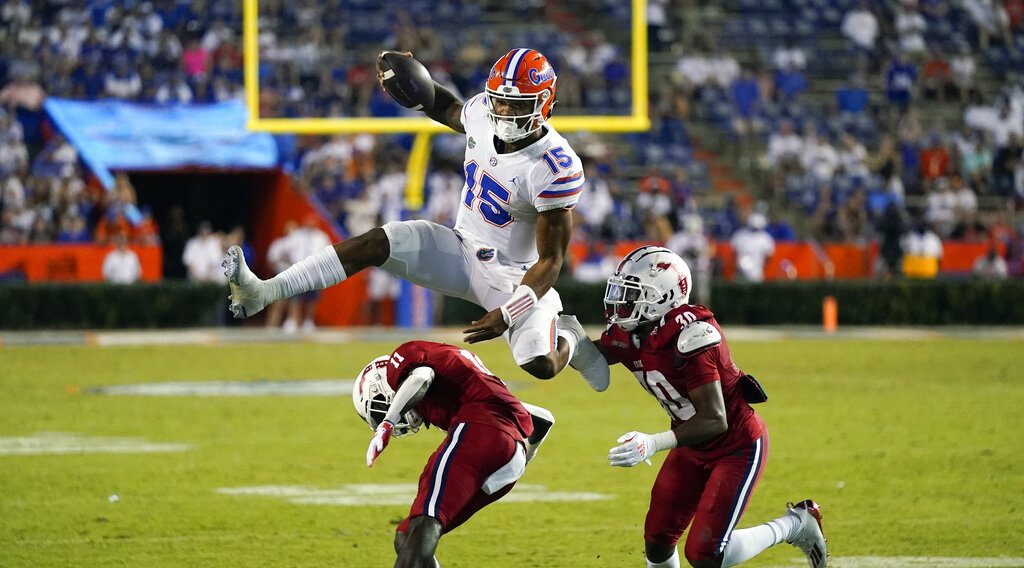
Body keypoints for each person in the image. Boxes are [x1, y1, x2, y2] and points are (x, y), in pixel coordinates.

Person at [223, 49, 608, 389]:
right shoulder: (482, 115)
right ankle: (264, 292)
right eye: (500, 102)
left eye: (516, 104)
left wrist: (508, 313)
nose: (504, 112)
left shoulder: (554, 165)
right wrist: (413, 81)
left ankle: (570, 337)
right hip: (460, 248)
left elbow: (551, 260)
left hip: (514, 275)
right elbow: (447, 107)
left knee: (538, 365)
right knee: (376, 242)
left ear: (544, 104)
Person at [578, 246, 828, 568]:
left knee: (706, 554)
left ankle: (798, 524)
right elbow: (591, 358)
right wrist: (559, 333)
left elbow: (714, 419)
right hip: (692, 446)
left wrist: (652, 443)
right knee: (657, 541)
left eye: (632, 294)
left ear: (663, 296)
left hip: (735, 446)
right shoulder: (636, 333)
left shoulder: (693, 335)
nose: (621, 303)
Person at [353, 340, 555, 567]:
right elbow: (543, 419)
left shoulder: (403, 361)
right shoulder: (459, 390)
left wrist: (388, 422)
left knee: (424, 523)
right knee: (408, 536)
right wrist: (524, 457)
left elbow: (422, 377)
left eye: (381, 406)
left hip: (481, 430)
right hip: (509, 457)